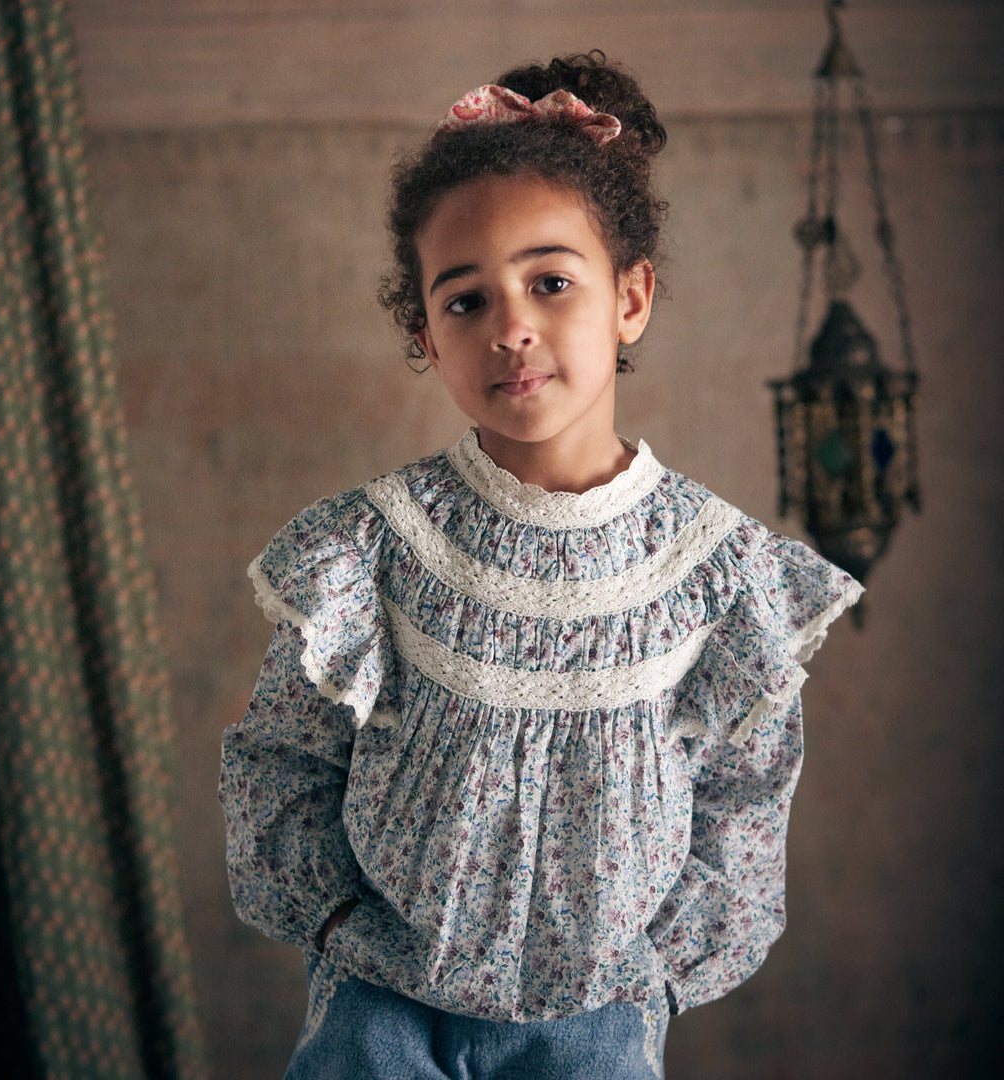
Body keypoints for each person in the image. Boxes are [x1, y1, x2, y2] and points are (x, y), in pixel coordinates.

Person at [219, 51, 864, 1080]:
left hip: (598, 1023)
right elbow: (279, 759)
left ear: (631, 300)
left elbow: (745, 798)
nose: (512, 326)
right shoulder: (369, 546)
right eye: (465, 300)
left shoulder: (720, 572)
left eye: (551, 283)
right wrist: (338, 918)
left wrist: (651, 974)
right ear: (424, 334)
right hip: (379, 1005)